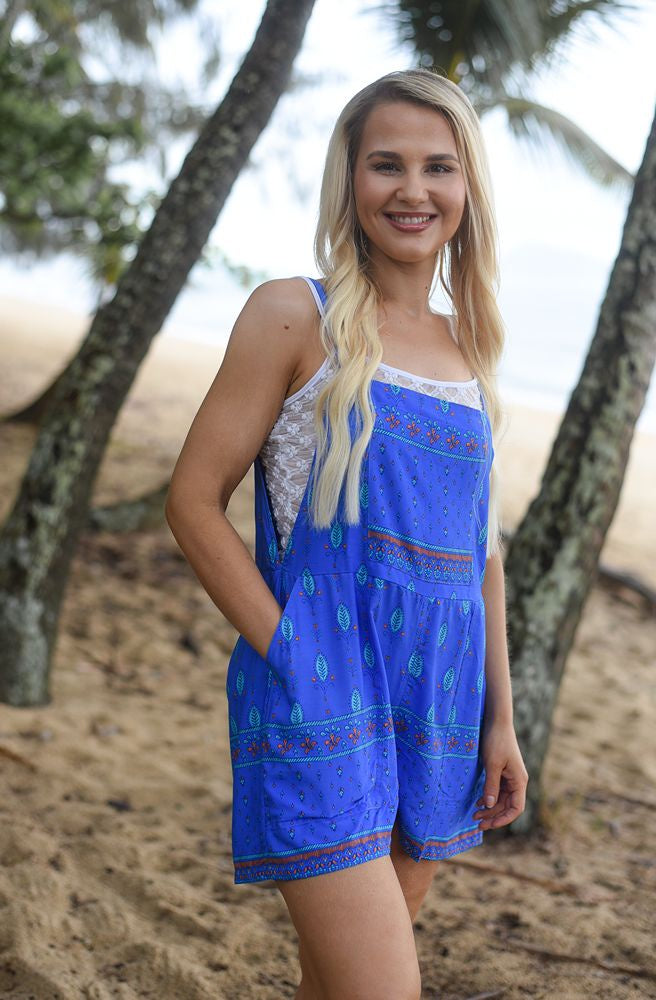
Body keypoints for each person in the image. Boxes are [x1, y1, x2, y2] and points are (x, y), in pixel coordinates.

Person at [166, 67, 528, 1000]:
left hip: (439, 709)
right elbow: (193, 501)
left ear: (467, 189)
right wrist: (288, 651)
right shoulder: (296, 313)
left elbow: (480, 554)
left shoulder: (474, 350)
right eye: (386, 164)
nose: (412, 190)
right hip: (321, 690)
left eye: (438, 167)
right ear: (351, 180)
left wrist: (502, 719)